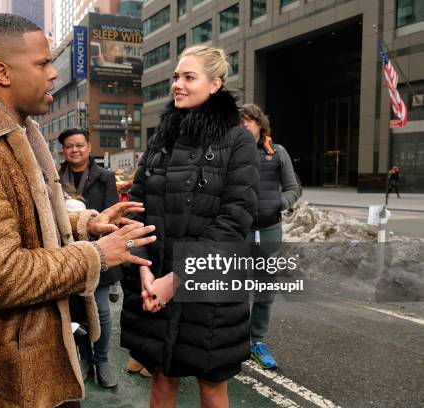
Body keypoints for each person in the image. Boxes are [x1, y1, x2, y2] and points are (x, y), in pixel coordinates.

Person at [0, 14, 156, 408]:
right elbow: (0, 276)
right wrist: (96, 255)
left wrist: (87, 223)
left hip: (37, 359)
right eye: (43, 63)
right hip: (6, 378)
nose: (53, 74)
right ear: (2, 72)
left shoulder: (21, 131)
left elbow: (32, 215)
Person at [120, 45, 260, 408]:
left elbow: (236, 219)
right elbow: (135, 207)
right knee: (162, 380)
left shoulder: (237, 140)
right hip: (156, 278)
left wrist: (176, 280)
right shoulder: (162, 138)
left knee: (212, 387)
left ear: (215, 85)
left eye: (188, 77)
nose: (177, 85)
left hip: (207, 284)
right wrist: (146, 270)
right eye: (175, 77)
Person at [58, 127, 124, 388]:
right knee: (76, 312)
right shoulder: (54, 176)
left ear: (88, 146)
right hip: (69, 255)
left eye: (79, 145)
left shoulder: (105, 176)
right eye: (69, 146)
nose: (74, 150)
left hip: (101, 252)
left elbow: (112, 216)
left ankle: (103, 360)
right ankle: (84, 358)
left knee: (102, 310)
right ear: (63, 150)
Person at [240, 103, 301, 370]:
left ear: (260, 124)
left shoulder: (278, 153)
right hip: (237, 232)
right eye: (239, 121)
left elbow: (293, 187)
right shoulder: (231, 154)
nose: (243, 125)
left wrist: (278, 202)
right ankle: (234, 341)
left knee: (265, 289)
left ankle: (257, 341)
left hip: (268, 231)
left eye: (248, 121)